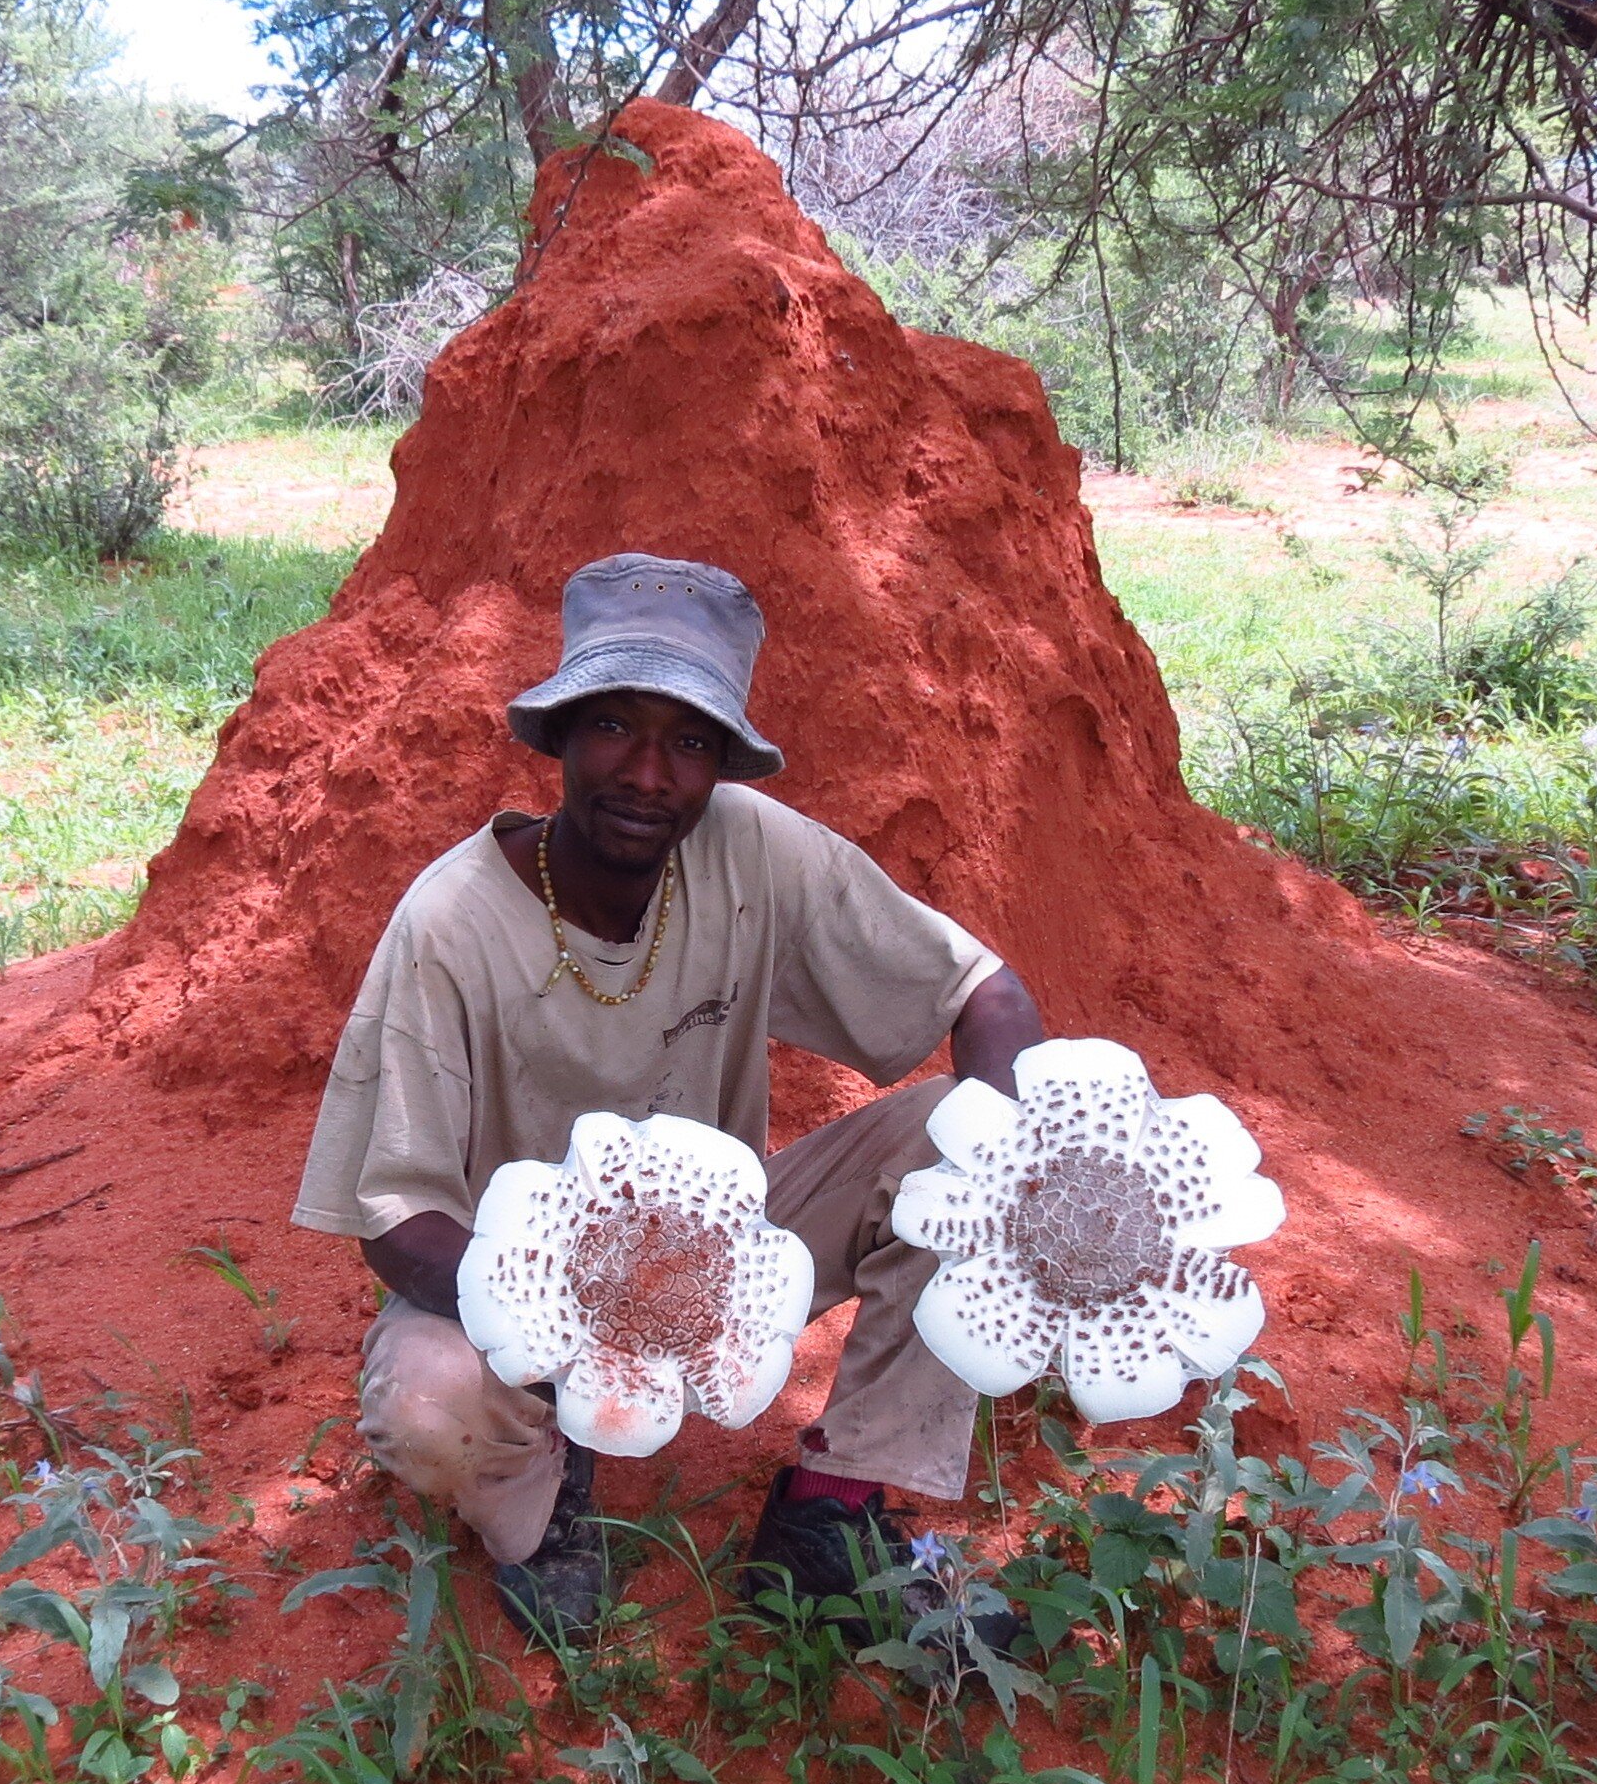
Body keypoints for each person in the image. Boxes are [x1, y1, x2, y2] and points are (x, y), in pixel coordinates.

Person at [293, 552, 1044, 1645]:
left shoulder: (751, 849)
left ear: (721, 765)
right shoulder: (450, 925)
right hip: (520, 1282)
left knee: (967, 1154)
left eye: (688, 742)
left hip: (722, 1261)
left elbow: (982, 990)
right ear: (558, 736)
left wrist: (1031, 1173)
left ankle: (831, 1515)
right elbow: (397, 1223)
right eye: (613, 728)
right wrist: (575, 1312)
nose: (647, 774)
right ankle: (542, 1501)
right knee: (426, 1402)